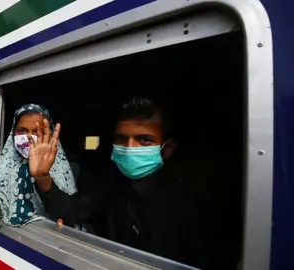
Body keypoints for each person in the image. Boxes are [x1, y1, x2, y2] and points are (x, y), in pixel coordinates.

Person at [35, 97, 209, 268]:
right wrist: (44, 179)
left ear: (167, 149)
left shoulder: (186, 206)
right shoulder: (113, 187)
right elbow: (75, 211)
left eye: (144, 140)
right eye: (121, 139)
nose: (129, 148)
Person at [0, 104, 77, 231]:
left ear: (48, 134)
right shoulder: (5, 169)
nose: (29, 137)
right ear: (13, 133)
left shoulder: (62, 170)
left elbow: (70, 217)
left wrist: (42, 177)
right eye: (22, 130)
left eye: (36, 131)